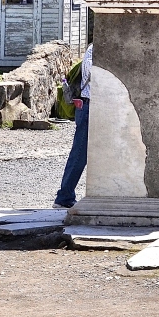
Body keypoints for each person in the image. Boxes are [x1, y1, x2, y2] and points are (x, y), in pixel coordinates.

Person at [53, 43, 92, 209]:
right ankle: (64, 197)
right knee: (79, 154)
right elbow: (94, 73)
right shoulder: (94, 49)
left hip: (95, 107)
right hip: (89, 107)